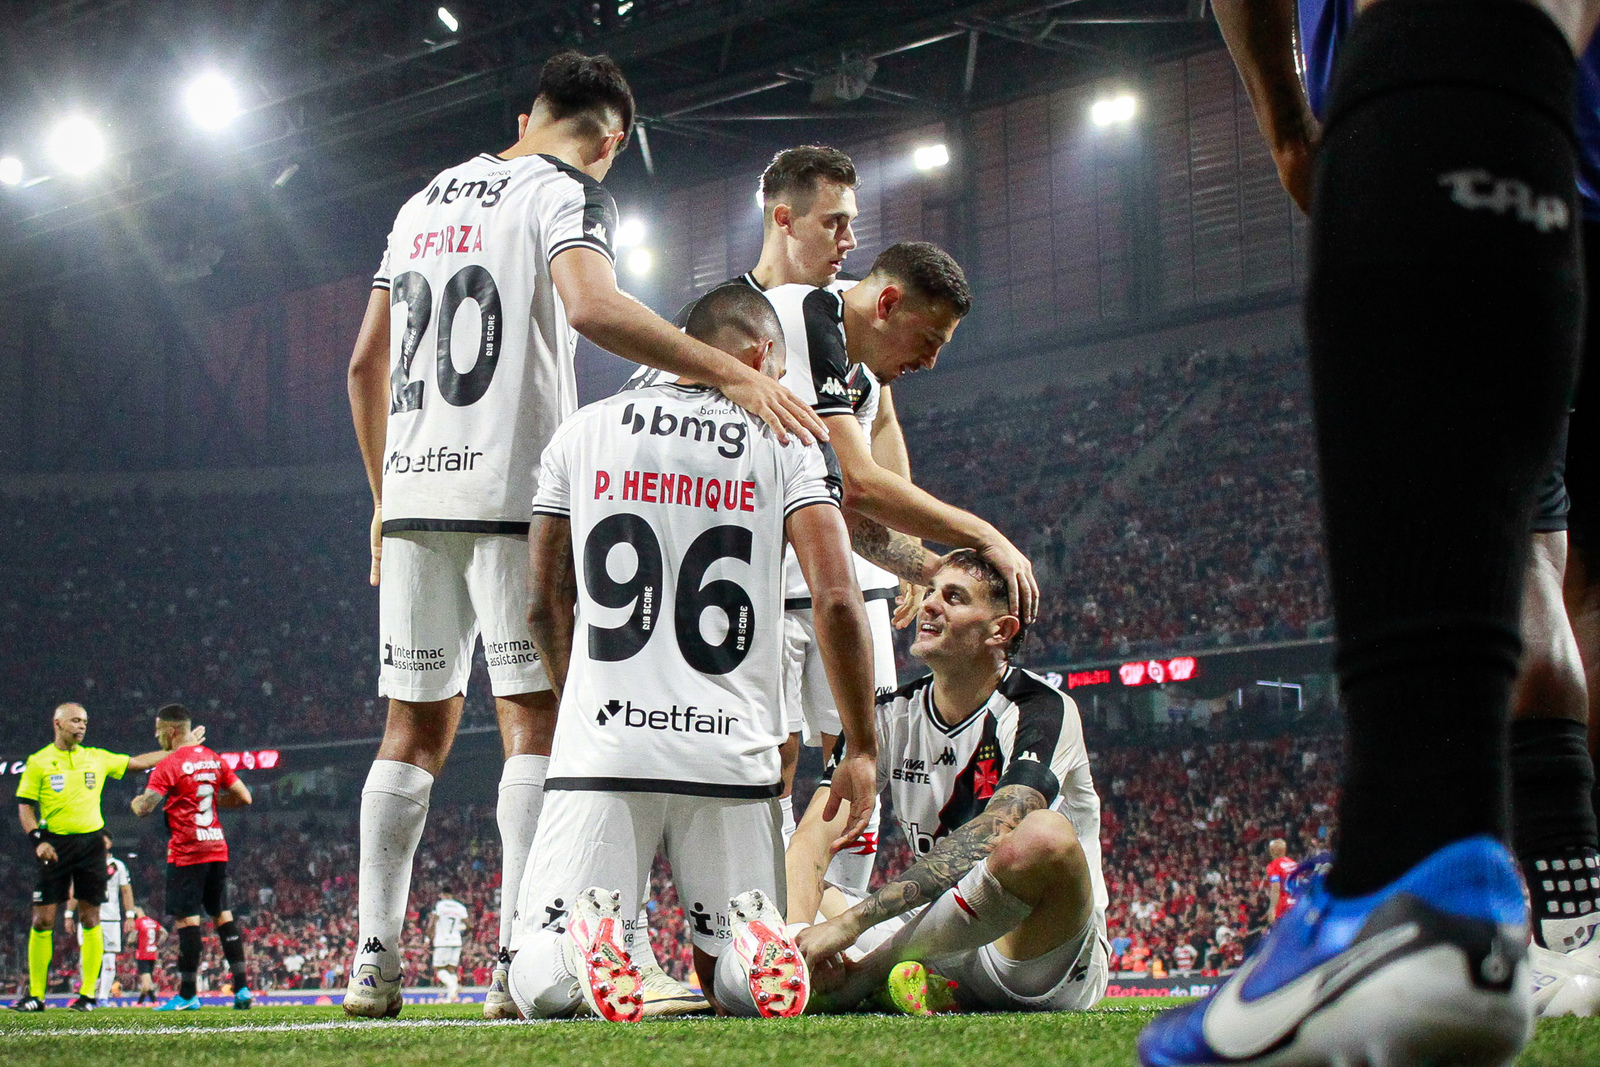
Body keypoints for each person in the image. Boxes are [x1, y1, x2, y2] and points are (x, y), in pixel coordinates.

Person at [1141, 1, 1598, 1063]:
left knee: (1536, 564)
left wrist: (1291, 128)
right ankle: (1561, 917)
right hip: (1550, 130)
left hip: (1455, 138)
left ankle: (1412, 868)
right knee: (1582, 586)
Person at [343, 49, 826, 1022]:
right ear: (610, 141)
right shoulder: (565, 189)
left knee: (411, 727)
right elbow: (591, 306)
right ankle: (525, 952)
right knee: (535, 721)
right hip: (511, 491)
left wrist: (381, 496)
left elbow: (364, 364)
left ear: (529, 110)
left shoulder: (424, 199)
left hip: (411, 495)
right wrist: (729, 373)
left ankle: (372, 958)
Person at [506, 283, 878, 1022]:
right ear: (761, 354)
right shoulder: (792, 440)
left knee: (538, 976)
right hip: (734, 755)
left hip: (608, 746)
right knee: (731, 970)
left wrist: (580, 697)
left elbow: (545, 601)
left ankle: (585, 942)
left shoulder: (584, 431)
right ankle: (759, 944)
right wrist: (862, 745)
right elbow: (838, 597)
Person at [787, 551, 1108, 1017]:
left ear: (1001, 631)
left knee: (1042, 835)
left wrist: (851, 925)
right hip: (936, 938)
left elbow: (998, 829)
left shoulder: (1042, 709)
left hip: (1032, 956)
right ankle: (893, 979)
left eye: (953, 597)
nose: (930, 605)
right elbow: (815, 836)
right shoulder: (889, 715)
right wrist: (798, 937)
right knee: (789, 864)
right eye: (932, 593)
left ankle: (867, 978)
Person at [12, 702, 194, 1012]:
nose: (81, 726)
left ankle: (88, 995)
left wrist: (180, 750)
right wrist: (36, 841)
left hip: (91, 844)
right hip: (53, 845)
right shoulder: (39, 762)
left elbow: (137, 763)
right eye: (75, 721)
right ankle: (36, 996)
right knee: (42, 919)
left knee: (90, 917)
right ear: (57, 723)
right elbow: (25, 807)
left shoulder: (96, 757)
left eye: (84, 721)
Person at [129, 704, 254, 1011]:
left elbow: (146, 806)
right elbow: (244, 797)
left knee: (188, 921)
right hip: (216, 846)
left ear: (172, 731)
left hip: (187, 851)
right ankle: (242, 990)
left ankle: (187, 994)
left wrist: (135, 804)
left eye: (158, 730)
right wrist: (212, 801)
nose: (156, 735)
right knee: (222, 916)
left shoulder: (169, 764)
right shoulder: (213, 758)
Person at [65, 832, 134, 1001]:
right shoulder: (83, 863)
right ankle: (87, 993)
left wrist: (130, 916)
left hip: (111, 918)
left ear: (109, 843)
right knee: (85, 957)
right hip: (88, 916)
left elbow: (126, 891)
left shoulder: (118, 865)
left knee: (109, 957)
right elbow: (75, 891)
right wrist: (68, 914)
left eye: (103, 841)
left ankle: (103, 997)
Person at [428, 890, 471, 1003]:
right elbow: (469, 925)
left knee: (438, 969)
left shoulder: (441, 905)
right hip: (456, 941)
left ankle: (453, 986)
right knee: (450, 969)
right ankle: (451, 995)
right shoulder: (460, 907)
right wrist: (461, 933)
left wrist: (428, 938)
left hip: (442, 942)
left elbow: (432, 923)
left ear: (443, 894)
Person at [130, 908, 165, 1004]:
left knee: (146, 983)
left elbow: (132, 937)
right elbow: (164, 933)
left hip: (142, 955)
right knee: (148, 979)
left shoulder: (138, 922)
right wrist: (157, 944)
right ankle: (154, 1001)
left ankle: (139, 1003)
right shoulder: (152, 921)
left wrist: (130, 942)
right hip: (152, 954)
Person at [1260, 838, 1297, 925]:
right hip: (1295, 904)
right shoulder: (1294, 864)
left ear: (1272, 850)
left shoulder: (1273, 866)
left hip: (1283, 907)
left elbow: (1276, 888)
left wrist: (1272, 909)